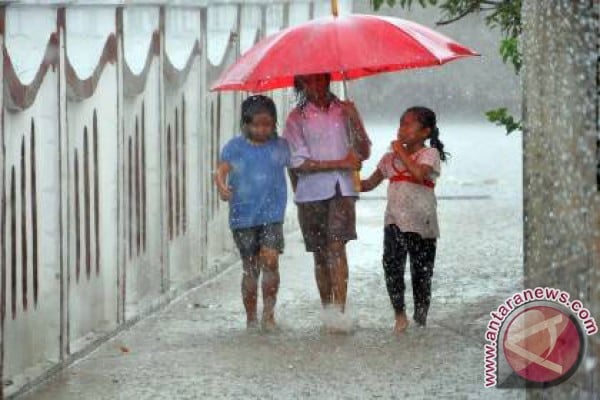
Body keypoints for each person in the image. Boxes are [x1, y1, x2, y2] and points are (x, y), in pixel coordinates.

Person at [283, 73, 371, 331]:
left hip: (342, 190)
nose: (317, 85)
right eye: (310, 81)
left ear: (329, 79)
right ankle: (327, 310)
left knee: (337, 248)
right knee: (320, 254)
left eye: (322, 79)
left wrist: (355, 119)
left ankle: (340, 313)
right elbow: (299, 162)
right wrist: (339, 163)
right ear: (302, 85)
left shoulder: (345, 111)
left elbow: (364, 151)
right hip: (310, 193)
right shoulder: (296, 118)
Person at [360, 106, 447, 335]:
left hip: (422, 224)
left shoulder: (430, 155)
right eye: (401, 124)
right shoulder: (389, 159)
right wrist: (348, 175)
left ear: (425, 132)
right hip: (394, 222)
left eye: (409, 124)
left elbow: (419, 175)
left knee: (422, 274)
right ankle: (399, 315)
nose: (402, 129)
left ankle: (420, 317)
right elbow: (368, 184)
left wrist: (400, 151)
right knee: (392, 267)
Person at [214, 95, 291, 331]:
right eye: (256, 124)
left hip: (272, 214)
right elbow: (220, 171)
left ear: (274, 123)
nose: (261, 129)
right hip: (243, 216)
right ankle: (251, 319)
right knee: (250, 267)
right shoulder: (234, 147)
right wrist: (222, 187)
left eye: (267, 124)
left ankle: (268, 315)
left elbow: (297, 170)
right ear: (245, 124)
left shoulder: (281, 146)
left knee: (270, 260)